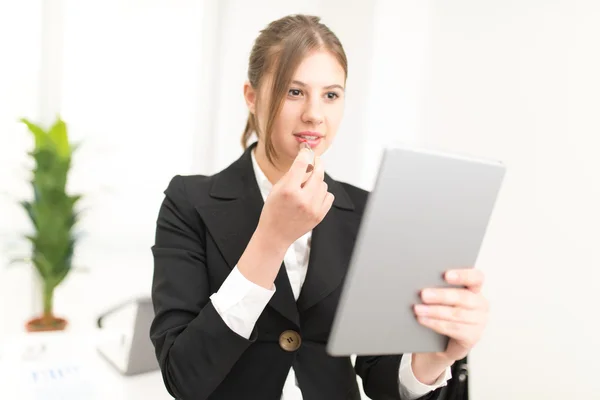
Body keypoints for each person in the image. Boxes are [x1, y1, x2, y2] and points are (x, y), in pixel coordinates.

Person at [150, 14, 489, 400]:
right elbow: (183, 377)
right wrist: (270, 239)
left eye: (331, 94)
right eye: (294, 92)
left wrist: (432, 359)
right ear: (251, 96)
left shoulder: (365, 211)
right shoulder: (189, 203)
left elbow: (379, 374)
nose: (314, 113)